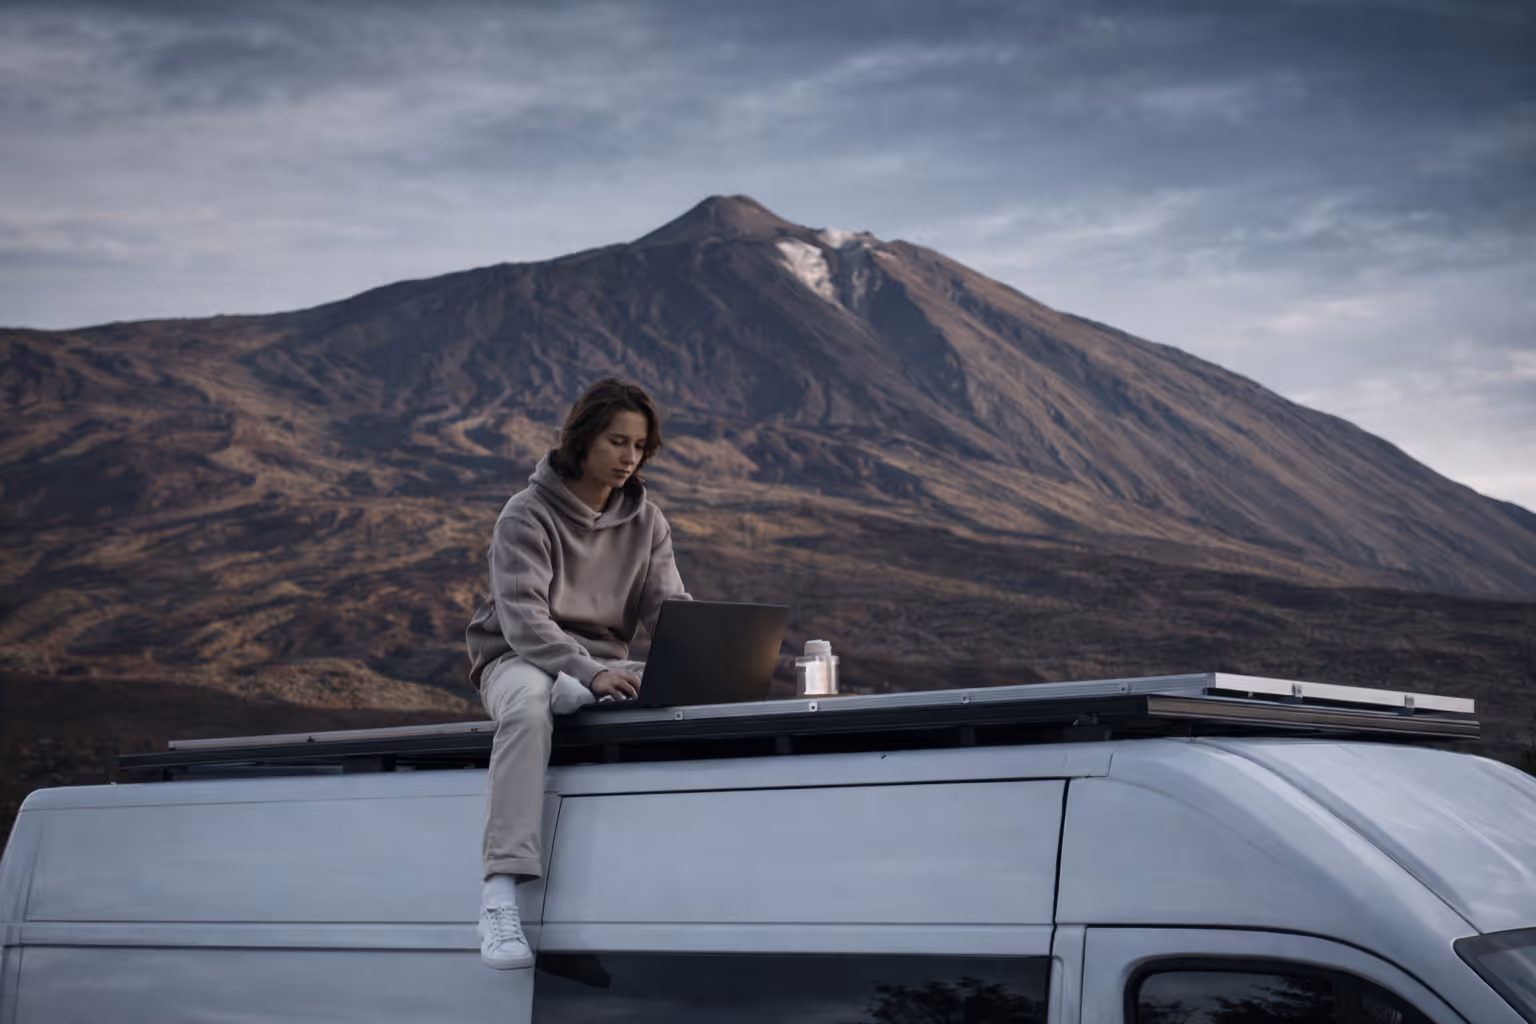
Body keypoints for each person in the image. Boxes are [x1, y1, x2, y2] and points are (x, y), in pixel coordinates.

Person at [463, 378, 690, 969]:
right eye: (617, 441)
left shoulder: (648, 522)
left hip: (602, 666)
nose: (628, 458)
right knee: (528, 707)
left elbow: (669, 611)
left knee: (678, 702)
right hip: (519, 658)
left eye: (639, 447)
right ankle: (499, 897)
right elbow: (524, 622)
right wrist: (587, 674)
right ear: (583, 437)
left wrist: (703, 660)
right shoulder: (526, 514)